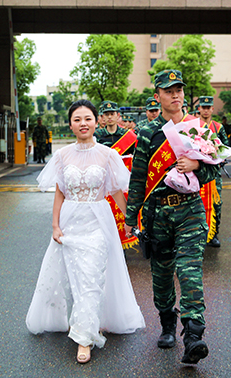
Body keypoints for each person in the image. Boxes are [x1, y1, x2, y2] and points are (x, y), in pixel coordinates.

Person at [26, 99, 145, 364]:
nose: (83, 124)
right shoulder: (62, 155)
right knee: (73, 278)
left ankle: (84, 337)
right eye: (77, 119)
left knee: (90, 276)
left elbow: (115, 190)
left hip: (97, 220)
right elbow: (59, 193)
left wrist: (129, 219)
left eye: (88, 118)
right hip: (70, 221)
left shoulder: (108, 154)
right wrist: (55, 225)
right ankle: (83, 319)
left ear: (97, 121)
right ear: (70, 124)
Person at [124, 70, 219, 365]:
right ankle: (167, 322)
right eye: (169, 90)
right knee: (162, 274)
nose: (175, 94)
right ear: (158, 97)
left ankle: (193, 336)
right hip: (157, 215)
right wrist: (131, 217)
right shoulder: (147, 133)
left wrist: (195, 166)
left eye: (179, 89)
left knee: (189, 271)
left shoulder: (198, 128)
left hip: (190, 210)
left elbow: (214, 168)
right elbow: (139, 178)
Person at [198, 95, 229, 248]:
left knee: (216, 204)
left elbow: (225, 147)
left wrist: (221, 157)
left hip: (214, 173)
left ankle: (214, 233)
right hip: (196, 173)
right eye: (202, 107)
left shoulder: (218, 127)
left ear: (212, 109)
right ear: (199, 109)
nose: (205, 110)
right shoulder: (192, 126)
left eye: (208, 107)